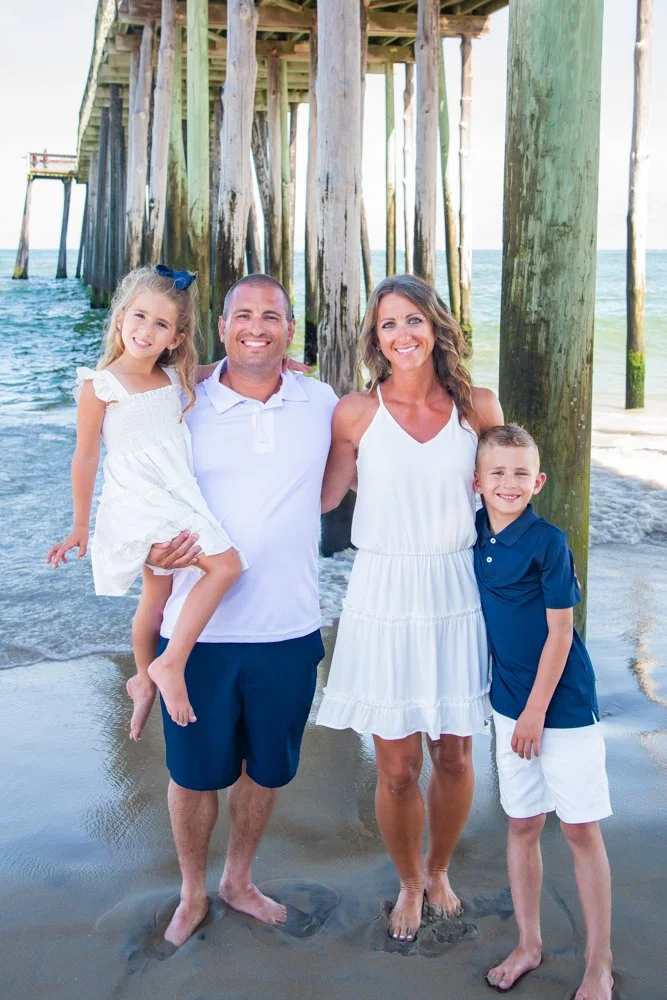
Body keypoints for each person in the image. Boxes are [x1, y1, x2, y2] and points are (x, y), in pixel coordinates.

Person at [144, 273, 337, 947]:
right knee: (193, 775)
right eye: (243, 315)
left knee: (266, 769)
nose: (258, 326)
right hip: (196, 636)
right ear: (221, 326)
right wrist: (148, 561)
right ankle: (192, 892)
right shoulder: (178, 399)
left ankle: (238, 879)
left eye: (273, 316)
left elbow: (363, 459)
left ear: (290, 330)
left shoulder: (321, 400)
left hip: (288, 628)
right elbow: (134, 486)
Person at [317, 274, 503, 942]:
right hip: (381, 593)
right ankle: (406, 881)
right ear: (375, 337)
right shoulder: (353, 414)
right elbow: (315, 500)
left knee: (453, 755)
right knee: (396, 766)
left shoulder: (475, 407)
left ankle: (439, 869)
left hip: (455, 591)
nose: (402, 335)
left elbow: (510, 498)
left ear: (436, 327)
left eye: (414, 320)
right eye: (388, 324)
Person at [47, 265, 244, 738]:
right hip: (140, 501)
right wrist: (81, 527)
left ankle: (142, 678)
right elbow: (86, 456)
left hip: (173, 491)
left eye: (160, 324)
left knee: (155, 594)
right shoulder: (101, 386)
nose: (145, 330)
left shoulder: (173, 376)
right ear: (119, 318)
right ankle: (169, 664)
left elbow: (214, 370)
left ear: (175, 337)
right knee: (227, 566)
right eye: (138, 317)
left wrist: (276, 364)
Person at [472, 424, 613, 999]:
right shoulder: (476, 531)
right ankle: (529, 943)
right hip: (508, 701)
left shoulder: (549, 542)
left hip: (563, 706)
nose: (508, 483)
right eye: (496, 472)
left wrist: (535, 714)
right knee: (524, 823)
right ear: (477, 481)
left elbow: (561, 635)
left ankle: (598, 962)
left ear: (539, 481)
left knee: (579, 828)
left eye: (520, 473)